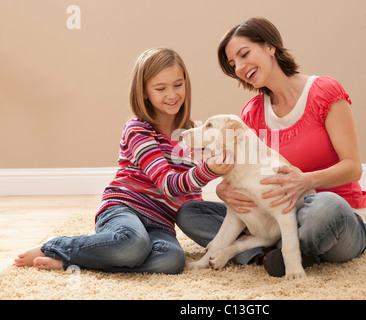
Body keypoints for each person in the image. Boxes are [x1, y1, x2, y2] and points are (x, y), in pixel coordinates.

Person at [177, 17, 366, 277]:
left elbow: (353, 168)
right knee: (191, 211)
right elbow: (243, 171)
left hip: (330, 215)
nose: (241, 67)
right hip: (275, 218)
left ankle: (269, 251)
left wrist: (304, 181)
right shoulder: (251, 113)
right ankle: (273, 250)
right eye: (233, 64)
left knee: (325, 207)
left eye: (244, 54)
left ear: (270, 47)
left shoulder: (325, 92)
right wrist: (225, 190)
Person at [13, 47, 231, 274]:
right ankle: (56, 247)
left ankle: (81, 261)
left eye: (178, 85)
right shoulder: (138, 129)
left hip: (161, 224)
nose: (172, 95)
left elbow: (190, 194)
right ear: (144, 92)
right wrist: (209, 170)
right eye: (160, 88)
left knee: (172, 260)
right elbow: (168, 183)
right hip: (124, 209)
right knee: (132, 243)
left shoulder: (196, 134)